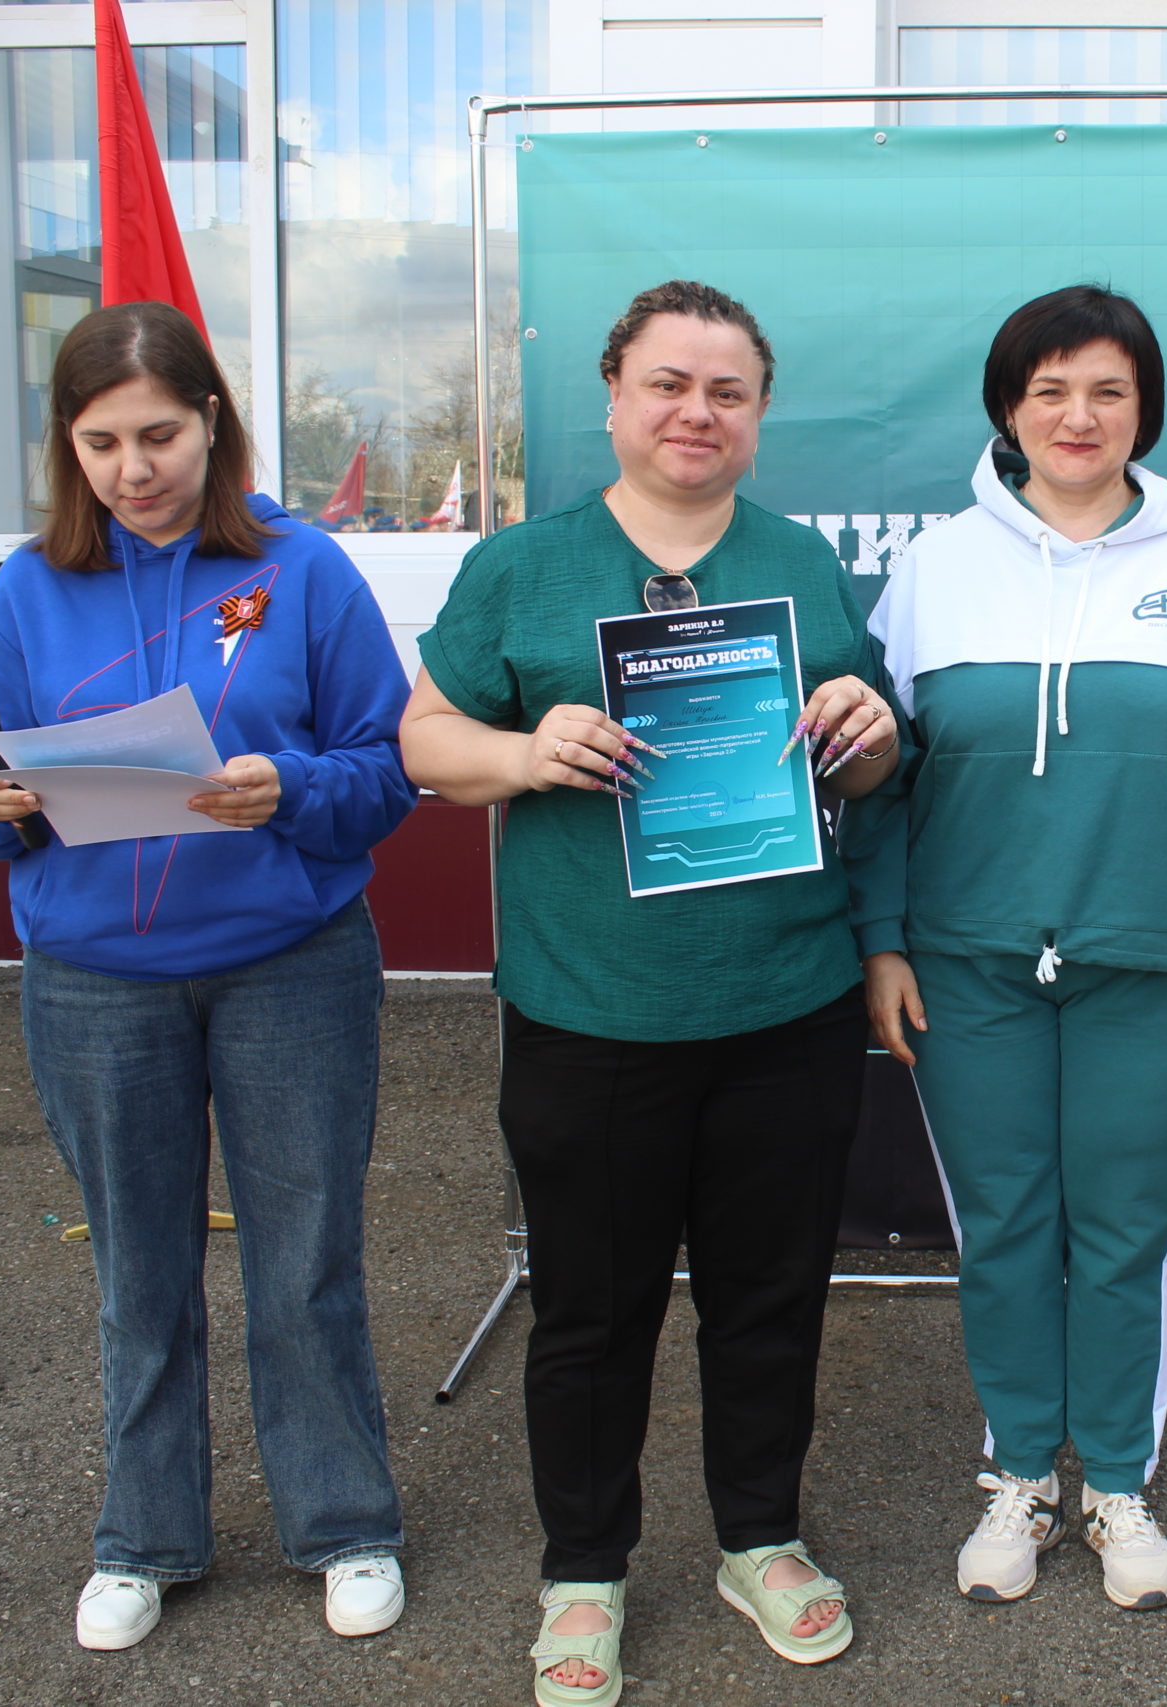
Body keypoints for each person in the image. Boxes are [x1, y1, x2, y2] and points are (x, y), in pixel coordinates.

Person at [398, 279, 898, 1707]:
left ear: (759, 414)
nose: (696, 412)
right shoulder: (523, 567)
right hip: (592, 1012)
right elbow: (423, 739)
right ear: (615, 395)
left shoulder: (801, 564)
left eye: (727, 391)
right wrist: (523, 752)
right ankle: (584, 1571)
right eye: (669, 383)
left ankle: (760, 1538)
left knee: (770, 1301)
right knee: (590, 1314)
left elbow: (872, 766)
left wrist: (868, 731)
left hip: (784, 1005)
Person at [0, 301, 416, 1652]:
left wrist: (293, 787)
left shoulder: (304, 570)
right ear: (67, 445)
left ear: (212, 420)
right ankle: (144, 1537)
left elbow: (387, 770)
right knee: (136, 1275)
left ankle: (345, 1522)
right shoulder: (24, 589)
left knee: (305, 1261)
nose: (133, 468)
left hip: (289, 966)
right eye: (100, 443)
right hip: (95, 982)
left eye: (158, 434)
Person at [852, 284, 1167, 1613]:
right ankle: (1018, 1476)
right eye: (1048, 390)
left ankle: (1113, 1478)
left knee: (1124, 1233)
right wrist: (882, 941)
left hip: (1161, 966)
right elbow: (882, 780)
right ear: (1009, 407)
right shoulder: (936, 567)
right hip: (968, 962)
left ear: (1143, 410)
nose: (1077, 416)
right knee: (1001, 1226)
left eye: (1108, 390)